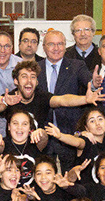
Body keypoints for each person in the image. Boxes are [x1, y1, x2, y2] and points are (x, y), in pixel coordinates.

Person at [37, 29, 91, 168]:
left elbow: (90, 83)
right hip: (42, 135)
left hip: (70, 133)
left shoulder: (77, 66)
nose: (56, 48)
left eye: (60, 44)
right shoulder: (36, 69)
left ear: (65, 46)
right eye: (51, 44)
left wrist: (95, 84)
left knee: (69, 179)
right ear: (43, 47)